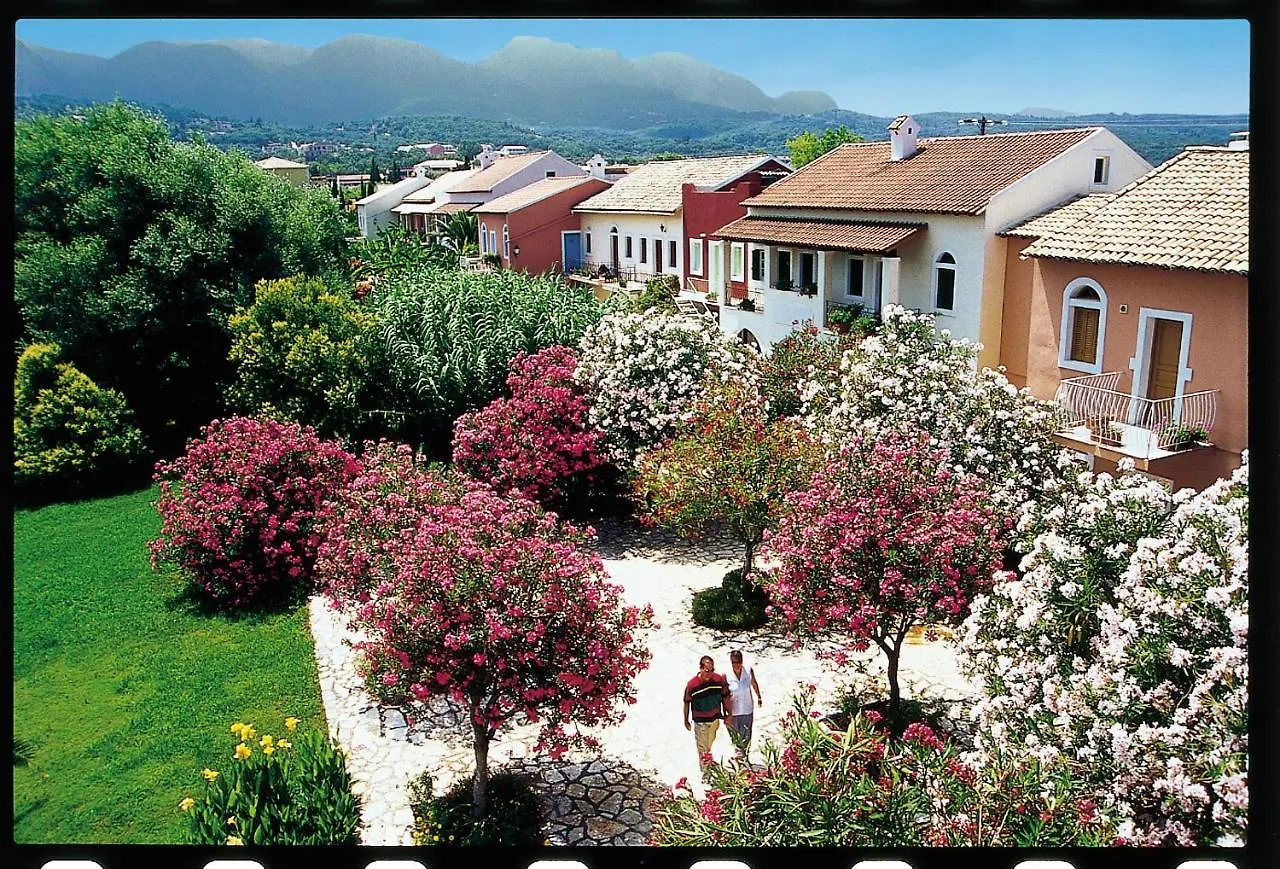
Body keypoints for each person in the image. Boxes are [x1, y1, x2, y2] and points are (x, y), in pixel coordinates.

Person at [682, 654, 731, 771]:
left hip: (714, 720)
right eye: (707, 670)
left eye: (712, 670)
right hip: (700, 722)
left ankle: (708, 764)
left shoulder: (718, 680)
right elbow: (687, 702)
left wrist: (728, 714)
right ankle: (705, 771)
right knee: (702, 748)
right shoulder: (692, 685)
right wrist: (686, 720)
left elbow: (725, 697)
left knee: (708, 745)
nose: (709, 673)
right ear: (701, 668)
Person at [725, 649, 762, 758]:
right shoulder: (726, 675)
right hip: (734, 711)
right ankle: (740, 758)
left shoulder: (748, 671)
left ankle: (745, 757)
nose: (736, 665)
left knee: (746, 736)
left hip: (747, 709)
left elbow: (754, 683)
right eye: (734, 662)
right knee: (736, 737)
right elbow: (723, 694)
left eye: (738, 662)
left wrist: (759, 696)